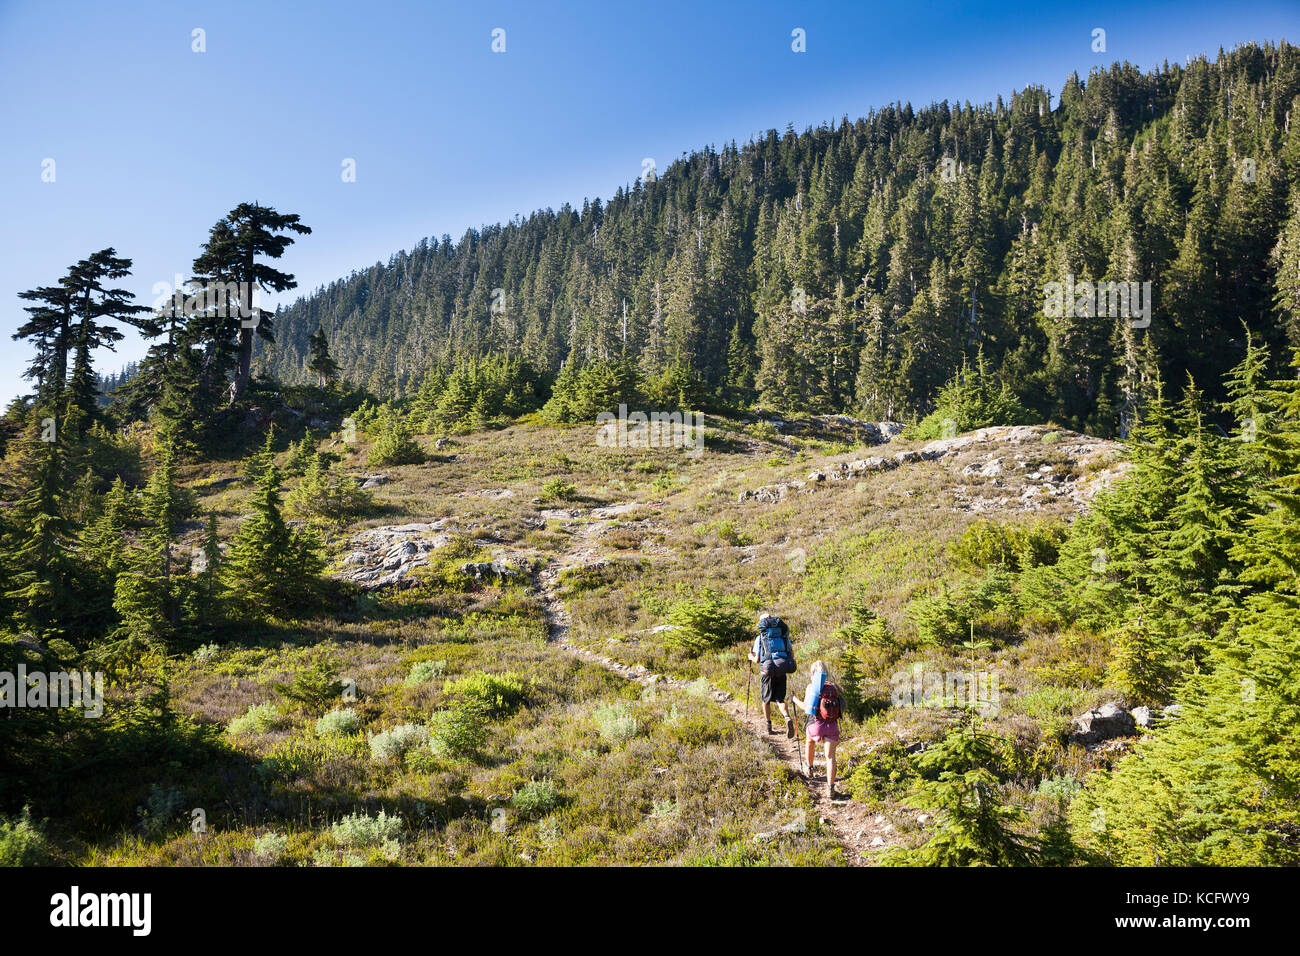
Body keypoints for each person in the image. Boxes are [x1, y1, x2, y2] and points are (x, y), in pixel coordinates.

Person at [792, 660, 840, 800]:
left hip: (816, 725)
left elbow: (805, 708)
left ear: (813, 673)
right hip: (832, 725)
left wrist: (794, 699)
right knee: (830, 757)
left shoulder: (811, 687)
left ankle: (809, 768)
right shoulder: (833, 687)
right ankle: (830, 788)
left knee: (809, 741)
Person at [748, 612, 795, 737]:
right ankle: (786, 717)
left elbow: (757, 659)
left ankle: (768, 725)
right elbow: (791, 654)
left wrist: (749, 657)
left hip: (767, 672)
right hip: (781, 669)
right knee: (780, 698)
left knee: (765, 699)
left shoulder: (761, 637)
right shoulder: (783, 636)